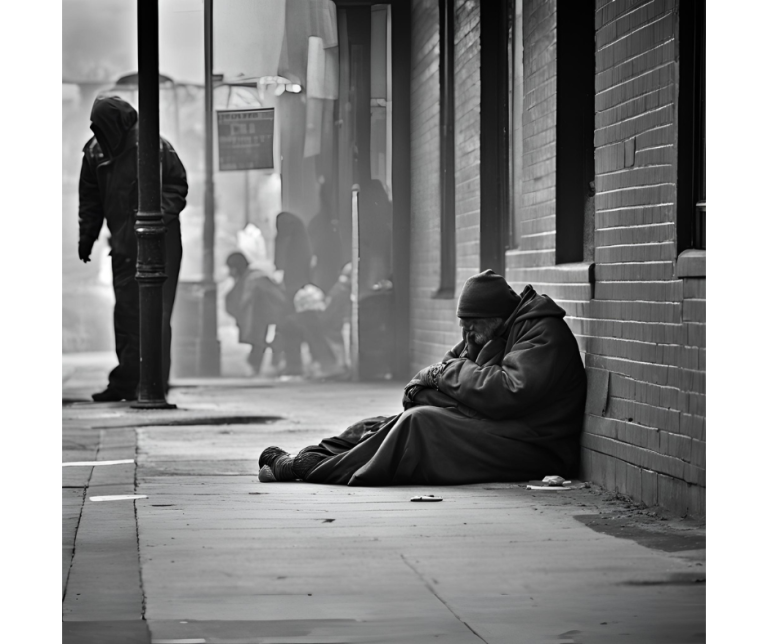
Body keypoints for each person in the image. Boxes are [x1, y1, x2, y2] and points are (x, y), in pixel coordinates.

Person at [258, 269, 587, 485]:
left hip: (535, 446)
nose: (466, 335)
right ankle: (310, 454)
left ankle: (304, 468)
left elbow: (507, 391)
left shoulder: (542, 333)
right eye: (464, 327)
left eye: (471, 327)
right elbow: (435, 377)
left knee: (420, 424)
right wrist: (434, 382)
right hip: (503, 429)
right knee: (380, 423)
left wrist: (444, 376)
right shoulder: (492, 331)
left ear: (492, 318)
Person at [78, 96, 188, 401]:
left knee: (157, 313)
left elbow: (176, 187)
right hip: (125, 244)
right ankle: (128, 379)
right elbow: (90, 198)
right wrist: (86, 236)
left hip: (160, 244)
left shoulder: (155, 146)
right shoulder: (95, 150)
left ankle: (154, 382)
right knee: (126, 313)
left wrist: (152, 222)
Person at [224, 252, 285, 373]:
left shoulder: (252, 280)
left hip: (262, 317)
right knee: (260, 340)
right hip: (267, 316)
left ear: (235, 269)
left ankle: (261, 365)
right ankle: (262, 364)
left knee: (259, 339)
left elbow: (243, 303)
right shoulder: (253, 277)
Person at [273, 211, 313, 375]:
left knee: (288, 325)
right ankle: (293, 363)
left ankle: (291, 364)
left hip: (290, 289)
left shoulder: (287, 240)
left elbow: (281, 258)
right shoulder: (301, 241)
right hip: (298, 286)